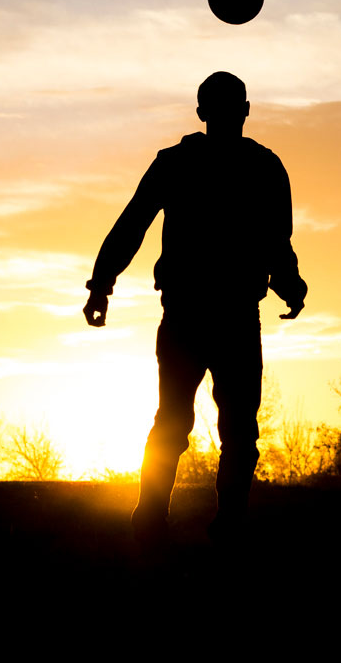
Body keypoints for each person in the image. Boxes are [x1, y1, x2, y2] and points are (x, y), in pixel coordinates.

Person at [84, 71, 307, 545]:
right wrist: (289, 284)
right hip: (219, 315)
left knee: (199, 424)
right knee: (224, 428)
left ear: (204, 111)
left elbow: (131, 227)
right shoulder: (254, 166)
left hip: (203, 313)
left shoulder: (189, 164)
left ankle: (173, 522)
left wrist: (102, 285)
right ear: (240, 110)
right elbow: (276, 243)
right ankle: (206, 524)